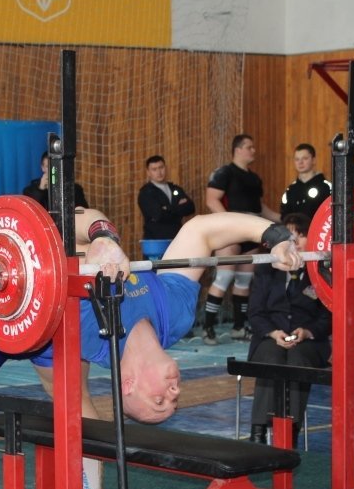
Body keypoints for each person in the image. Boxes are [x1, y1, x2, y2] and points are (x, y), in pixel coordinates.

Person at [0, 209, 301, 489]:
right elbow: (201, 231)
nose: (174, 394)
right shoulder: (175, 314)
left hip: (6, 315)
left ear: (127, 384)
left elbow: (59, 231)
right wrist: (275, 236)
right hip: (50, 321)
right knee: (74, 405)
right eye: (175, 400)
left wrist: (89, 246)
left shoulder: (88, 336)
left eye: (160, 402)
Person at [246, 213, 331, 444]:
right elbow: (255, 312)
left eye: (300, 236)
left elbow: (328, 317)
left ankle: (289, 434)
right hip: (270, 337)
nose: (295, 242)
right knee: (270, 357)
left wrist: (307, 332)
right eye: (289, 237)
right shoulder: (266, 269)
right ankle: (258, 433)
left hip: (308, 342)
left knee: (297, 360)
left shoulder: (321, 271)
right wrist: (273, 333)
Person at [201, 134, 280, 345]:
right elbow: (211, 200)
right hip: (230, 233)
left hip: (250, 233)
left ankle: (239, 327)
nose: (253, 150)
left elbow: (259, 208)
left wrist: (281, 219)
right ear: (237, 149)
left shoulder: (254, 179)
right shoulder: (224, 173)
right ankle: (208, 328)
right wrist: (230, 223)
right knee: (223, 277)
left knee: (244, 280)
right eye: (249, 147)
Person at [137, 154, 195, 240]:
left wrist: (167, 208)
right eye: (154, 169)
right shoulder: (145, 193)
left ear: (165, 168)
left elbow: (190, 208)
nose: (159, 172)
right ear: (148, 172)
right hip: (156, 241)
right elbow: (159, 215)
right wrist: (178, 208)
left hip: (177, 237)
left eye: (161, 167)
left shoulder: (175, 189)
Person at [279, 143, 332, 220]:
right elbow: (284, 216)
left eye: (305, 158)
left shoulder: (326, 187)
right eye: (297, 159)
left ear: (313, 160)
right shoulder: (290, 190)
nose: (300, 162)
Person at [22, 151, 88, 208]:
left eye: (55, 167)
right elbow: (30, 209)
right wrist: (40, 189)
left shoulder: (74, 189)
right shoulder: (29, 190)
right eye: (48, 166)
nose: (52, 170)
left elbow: (83, 211)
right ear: (42, 168)